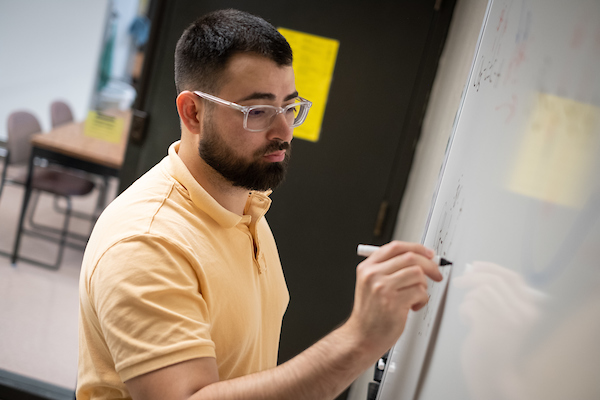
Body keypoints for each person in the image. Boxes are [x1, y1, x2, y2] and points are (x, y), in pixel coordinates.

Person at [77, 8, 443, 400]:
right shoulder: (147, 243)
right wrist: (359, 340)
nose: (284, 131)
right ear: (193, 112)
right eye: (258, 111)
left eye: (289, 106)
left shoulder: (246, 203)